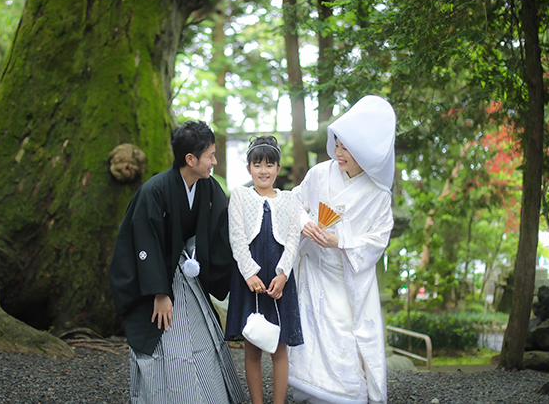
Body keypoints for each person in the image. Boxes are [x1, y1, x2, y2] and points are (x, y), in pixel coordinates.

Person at [108, 120, 245, 404]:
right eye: (210, 156)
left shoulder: (209, 189)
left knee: (201, 339)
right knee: (169, 340)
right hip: (158, 279)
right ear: (190, 159)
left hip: (188, 275)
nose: (214, 162)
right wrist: (159, 293)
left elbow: (225, 231)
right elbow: (143, 243)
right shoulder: (154, 190)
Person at [288, 96, 396, 404]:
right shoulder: (320, 173)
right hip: (314, 272)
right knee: (310, 332)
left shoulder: (377, 194)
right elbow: (294, 202)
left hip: (347, 276)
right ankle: (309, 393)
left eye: (346, 148)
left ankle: (347, 395)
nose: (338, 153)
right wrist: (305, 222)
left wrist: (341, 240)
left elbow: (378, 238)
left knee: (346, 334)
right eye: (337, 145)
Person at [225, 135, 304, 404]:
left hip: (279, 276)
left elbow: (294, 238)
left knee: (279, 347)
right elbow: (236, 236)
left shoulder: (290, 199)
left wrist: (283, 274)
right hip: (251, 275)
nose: (263, 171)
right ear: (249, 168)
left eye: (269, 165)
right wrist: (248, 273)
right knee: (253, 345)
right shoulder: (240, 195)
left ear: (278, 169)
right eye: (257, 164)